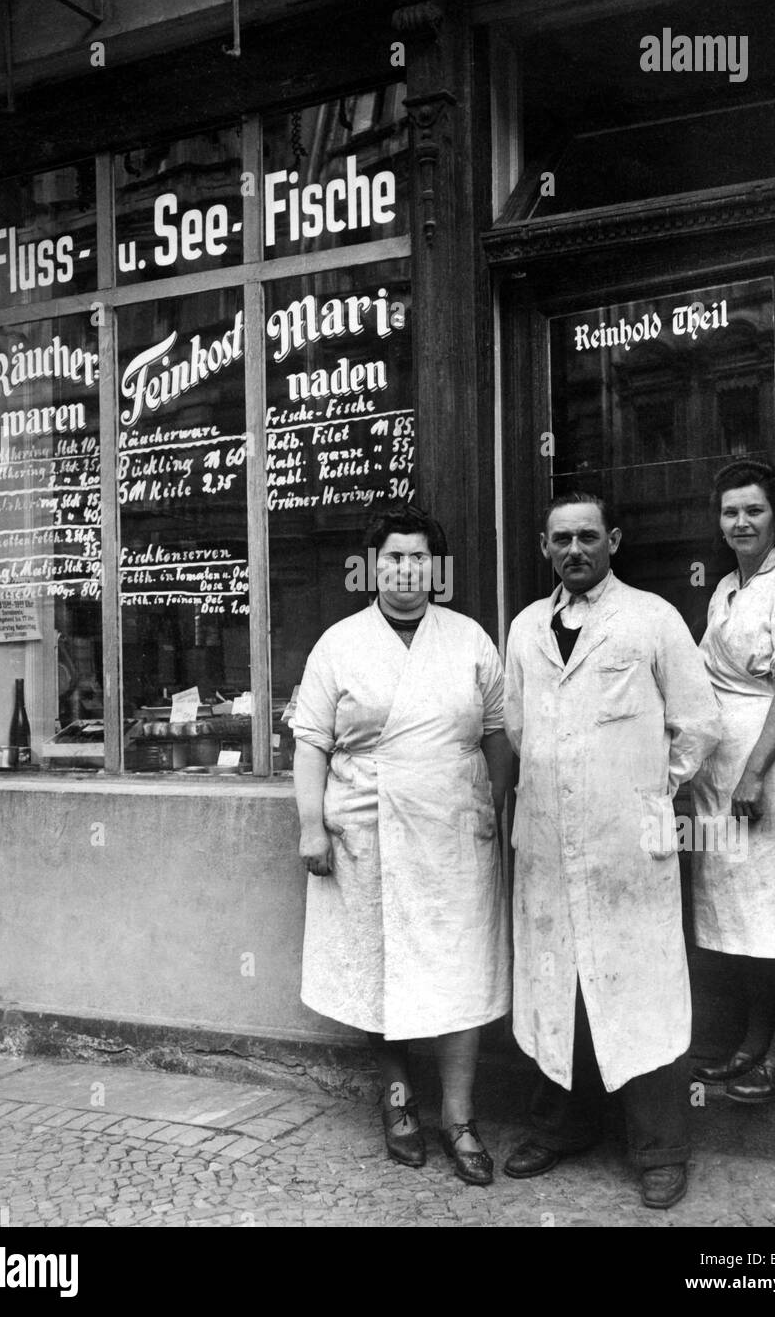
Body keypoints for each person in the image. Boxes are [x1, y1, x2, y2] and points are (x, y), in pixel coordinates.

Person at [502, 492, 720, 1209]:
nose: (574, 550)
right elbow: (517, 729)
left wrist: (650, 790)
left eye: (587, 537)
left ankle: (660, 1149)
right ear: (543, 546)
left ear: (613, 541)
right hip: (545, 839)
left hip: (628, 842)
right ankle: (561, 1127)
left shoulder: (650, 618)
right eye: (560, 538)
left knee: (640, 988)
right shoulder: (527, 626)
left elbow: (697, 723)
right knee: (555, 981)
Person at [292, 503, 512, 1185]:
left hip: (454, 835)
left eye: (418, 557)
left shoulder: (469, 639)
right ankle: (396, 1100)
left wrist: (490, 809)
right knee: (379, 965)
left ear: (434, 567)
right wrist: (310, 824)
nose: (406, 569)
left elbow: (498, 737)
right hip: (368, 832)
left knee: (460, 971)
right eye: (393, 557)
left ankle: (460, 1116)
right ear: (371, 566)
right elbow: (310, 743)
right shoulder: (339, 644)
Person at [691, 459, 775, 1103]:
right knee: (738, 916)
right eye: (730, 512)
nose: (741, 522)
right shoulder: (724, 589)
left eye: (753, 510)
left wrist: (753, 772)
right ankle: (750, 1042)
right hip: (721, 771)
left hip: (766, 764)